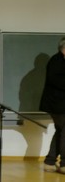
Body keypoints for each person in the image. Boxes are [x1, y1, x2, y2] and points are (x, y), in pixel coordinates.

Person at [40, 37, 65, 174]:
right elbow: (58, 82)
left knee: (60, 132)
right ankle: (64, 165)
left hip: (60, 105)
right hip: (57, 105)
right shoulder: (56, 61)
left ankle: (49, 162)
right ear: (63, 49)